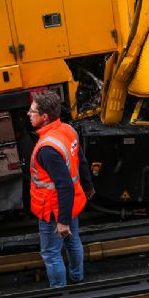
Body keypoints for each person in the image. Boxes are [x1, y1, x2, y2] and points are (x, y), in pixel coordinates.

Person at [28, 90, 95, 288]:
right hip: (70, 203)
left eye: (32, 111)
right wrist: (88, 185)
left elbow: (63, 185)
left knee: (51, 253)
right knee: (73, 241)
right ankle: (77, 276)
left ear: (44, 117)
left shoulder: (47, 149)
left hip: (53, 209)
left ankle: (59, 291)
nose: (28, 114)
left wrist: (62, 221)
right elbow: (81, 161)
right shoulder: (67, 130)